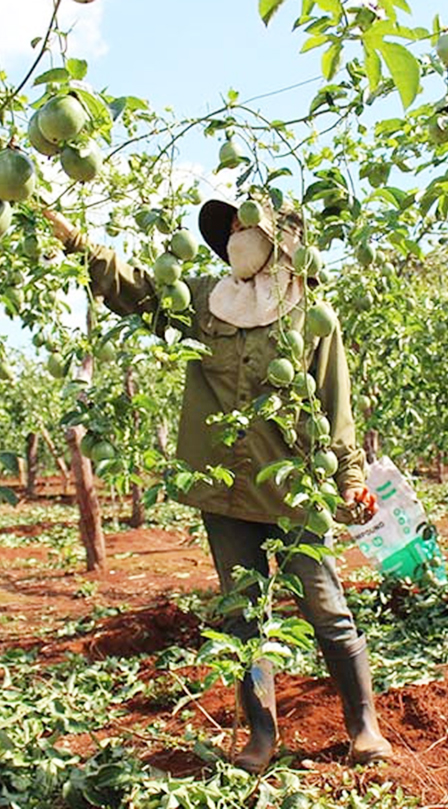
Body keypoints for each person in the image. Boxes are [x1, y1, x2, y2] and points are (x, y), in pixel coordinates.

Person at [43, 198, 393, 771]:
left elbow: (336, 406)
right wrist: (75, 241)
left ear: (278, 238)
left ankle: (364, 726)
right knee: (243, 612)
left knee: (327, 607)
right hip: (225, 489)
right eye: (229, 228)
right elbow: (137, 290)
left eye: (243, 225)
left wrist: (349, 480)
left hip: (294, 488)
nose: (234, 236)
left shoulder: (312, 314)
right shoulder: (208, 300)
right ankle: (261, 737)